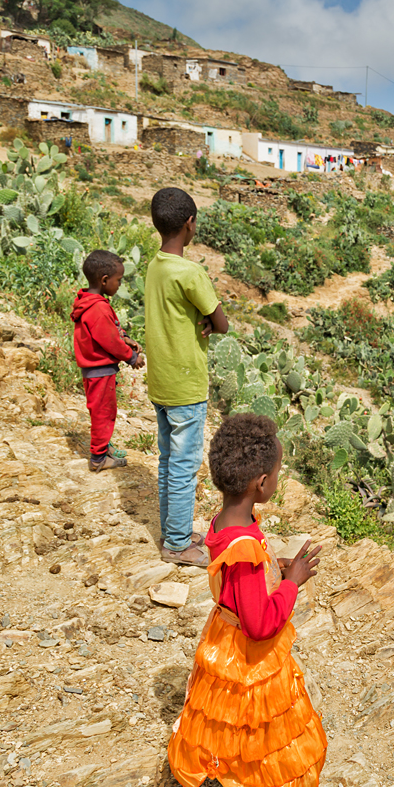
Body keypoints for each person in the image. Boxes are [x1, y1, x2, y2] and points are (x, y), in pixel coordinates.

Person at [168, 414, 327, 787]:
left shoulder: (223, 524)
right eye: (277, 474)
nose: (277, 480)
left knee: (252, 756)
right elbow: (261, 623)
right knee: (301, 758)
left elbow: (240, 589)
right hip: (252, 662)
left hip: (225, 649)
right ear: (261, 483)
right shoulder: (241, 544)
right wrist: (291, 583)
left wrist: (271, 571)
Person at [145, 187, 229, 568]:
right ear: (189, 224)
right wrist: (210, 322)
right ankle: (178, 544)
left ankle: (172, 529)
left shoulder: (155, 265)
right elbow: (222, 323)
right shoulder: (191, 272)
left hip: (161, 381)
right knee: (183, 464)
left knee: (167, 460)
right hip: (186, 385)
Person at [71, 250, 144, 472]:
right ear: (104, 280)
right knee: (103, 412)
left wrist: (126, 338)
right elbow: (110, 341)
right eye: (118, 280)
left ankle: (103, 447)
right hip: (100, 371)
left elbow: (110, 331)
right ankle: (98, 458)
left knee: (102, 410)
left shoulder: (89, 302)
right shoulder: (99, 308)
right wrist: (132, 357)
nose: (120, 285)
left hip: (96, 370)